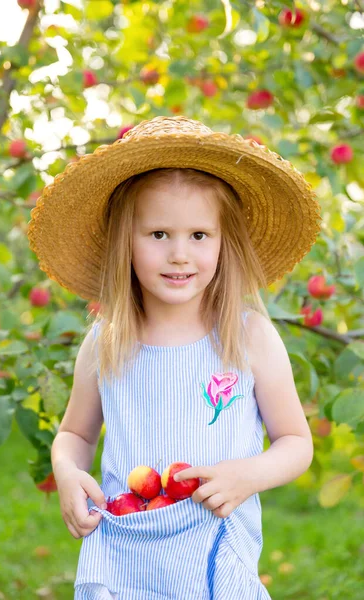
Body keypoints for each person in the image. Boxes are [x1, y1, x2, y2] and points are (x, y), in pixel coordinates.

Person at [27, 115, 322, 599]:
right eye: (159, 234)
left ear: (224, 244)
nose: (180, 254)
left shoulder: (247, 337)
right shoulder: (107, 339)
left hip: (212, 545)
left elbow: (295, 441)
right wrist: (67, 470)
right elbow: (74, 433)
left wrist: (248, 474)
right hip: (122, 549)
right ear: (125, 241)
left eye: (199, 236)